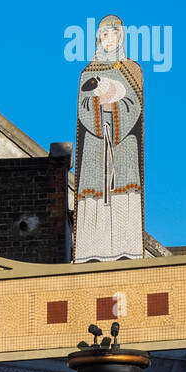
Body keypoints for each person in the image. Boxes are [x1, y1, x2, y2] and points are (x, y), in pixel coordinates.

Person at [73, 16, 144, 262]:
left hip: (123, 143)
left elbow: (134, 105)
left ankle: (126, 247)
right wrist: (97, 102)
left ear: (121, 36)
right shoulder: (87, 73)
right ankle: (91, 249)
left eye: (112, 34)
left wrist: (113, 105)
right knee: (95, 192)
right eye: (103, 35)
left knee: (123, 190)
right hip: (94, 144)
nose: (108, 39)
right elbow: (83, 106)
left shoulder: (131, 70)